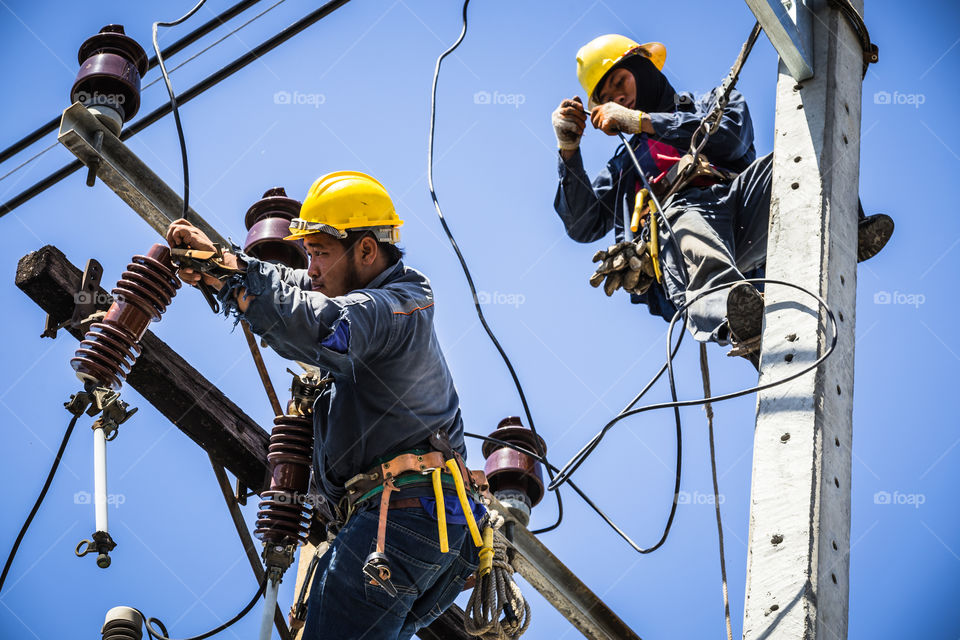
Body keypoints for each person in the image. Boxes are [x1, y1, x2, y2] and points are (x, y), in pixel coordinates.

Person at [166, 171, 481, 639]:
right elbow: (292, 284)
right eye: (309, 253)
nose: (310, 268)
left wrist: (233, 278)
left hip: (402, 517)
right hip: (437, 532)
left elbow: (321, 325)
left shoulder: (388, 308)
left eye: (320, 254)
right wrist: (225, 264)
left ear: (367, 250)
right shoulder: (391, 302)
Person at [551, 34, 894, 366]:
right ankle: (735, 314)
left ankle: (848, 229)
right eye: (605, 95)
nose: (616, 98)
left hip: (739, 205)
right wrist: (569, 151)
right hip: (683, 235)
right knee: (683, 220)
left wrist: (642, 122)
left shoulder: (712, 102)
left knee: (796, 157)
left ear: (642, 68)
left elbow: (728, 139)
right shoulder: (627, 163)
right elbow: (582, 225)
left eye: (619, 82)